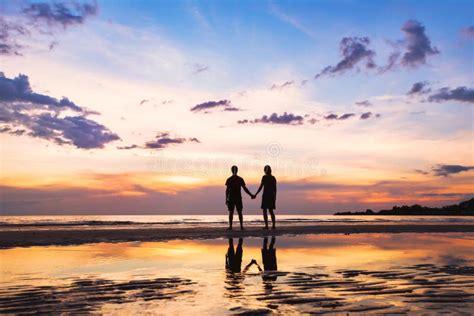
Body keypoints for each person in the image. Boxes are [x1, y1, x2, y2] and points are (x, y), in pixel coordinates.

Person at [225, 165, 254, 230]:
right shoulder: (233, 179)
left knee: (235, 212)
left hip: (235, 198)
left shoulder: (233, 179)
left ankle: (235, 226)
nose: (234, 171)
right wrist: (251, 195)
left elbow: (244, 188)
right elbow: (227, 190)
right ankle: (237, 226)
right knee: (235, 212)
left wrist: (251, 195)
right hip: (234, 198)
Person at [253, 165, 277, 229]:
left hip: (267, 196)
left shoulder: (267, 177)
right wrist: (256, 194)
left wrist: (256, 194)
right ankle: (271, 226)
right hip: (269, 196)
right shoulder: (272, 178)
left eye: (266, 170)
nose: (266, 171)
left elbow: (262, 186)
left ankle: (269, 226)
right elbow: (274, 189)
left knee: (267, 211)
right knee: (269, 211)